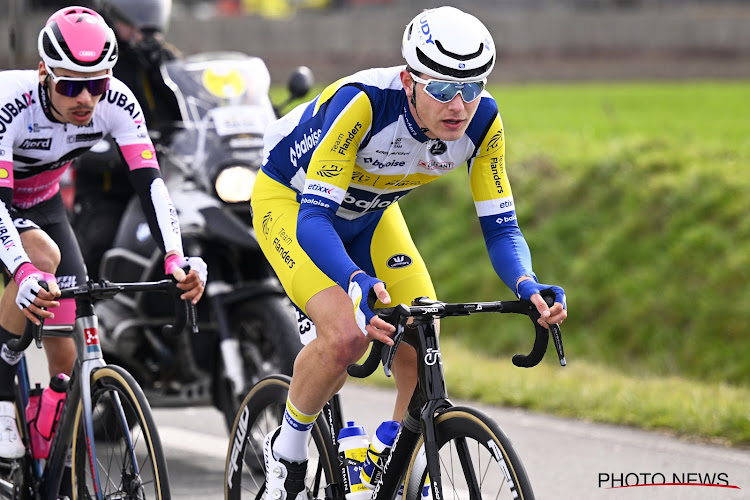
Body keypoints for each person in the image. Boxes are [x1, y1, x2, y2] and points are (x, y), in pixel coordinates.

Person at [251, 5, 567, 498]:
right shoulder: (365, 105)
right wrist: (355, 282)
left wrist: (527, 284)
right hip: (294, 206)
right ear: (408, 80)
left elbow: (502, 229)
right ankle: (286, 449)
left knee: (423, 335)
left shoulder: (484, 123)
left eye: (473, 86)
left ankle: (391, 468)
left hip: (374, 212)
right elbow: (315, 221)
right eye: (442, 88)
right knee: (346, 338)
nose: (458, 105)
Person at [0, 5, 206, 459]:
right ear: (43, 73)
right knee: (41, 258)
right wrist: (22, 269)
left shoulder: (117, 101)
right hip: (6, 205)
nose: (86, 100)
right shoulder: (9, 101)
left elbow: (151, 185)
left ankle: (45, 442)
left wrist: (176, 256)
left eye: (97, 84)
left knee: (67, 352)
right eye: (71, 85)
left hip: (45, 204)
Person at [71, 0, 181, 281]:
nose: (140, 32)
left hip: (168, 179)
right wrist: (99, 148)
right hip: (109, 188)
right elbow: (76, 115)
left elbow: (194, 107)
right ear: (112, 18)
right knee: (100, 242)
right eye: (131, 24)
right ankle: (92, 315)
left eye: (147, 25)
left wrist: (159, 71)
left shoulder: (168, 61)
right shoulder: (97, 63)